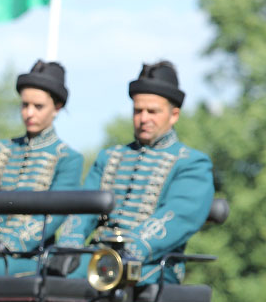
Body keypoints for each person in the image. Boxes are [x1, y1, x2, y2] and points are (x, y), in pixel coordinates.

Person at [57, 60, 214, 284]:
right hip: (99, 257)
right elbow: (84, 208)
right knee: (49, 273)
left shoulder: (192, 163)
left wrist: (130, 251)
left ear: (174, 115)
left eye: (153, 111)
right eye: (138, 110)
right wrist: (68, 248)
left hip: (153, 265)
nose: (143, 119)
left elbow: (179, 215)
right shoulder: (109, 157)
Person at [0, 60, 83, 276]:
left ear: (57, 108)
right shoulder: (1, 149)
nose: (29, 113)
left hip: (31, 257)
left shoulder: (68, 158)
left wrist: (8, 244)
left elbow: (53, 218)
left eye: (38, 107)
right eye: (25, 105)